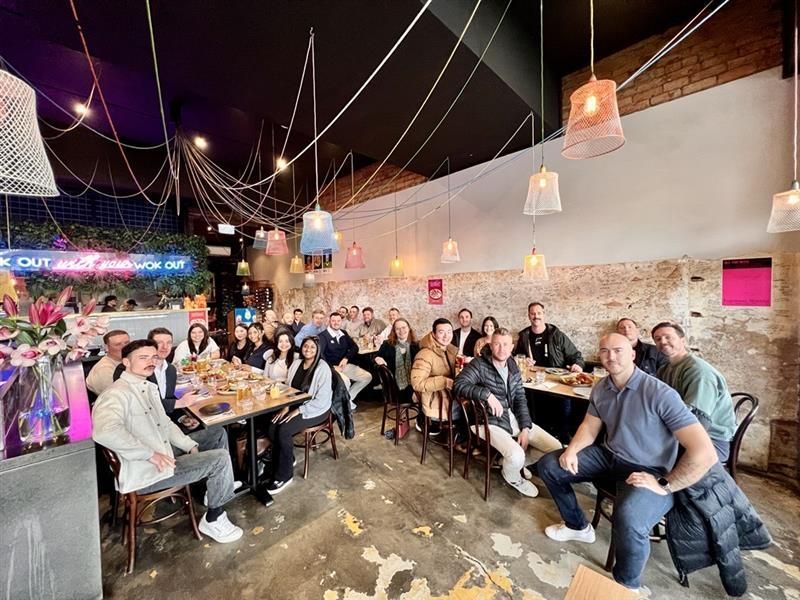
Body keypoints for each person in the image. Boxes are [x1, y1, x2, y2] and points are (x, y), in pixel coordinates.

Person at [537, 333, 717, 591]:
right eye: (604, 351)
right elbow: (590, 427)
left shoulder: (659, 393)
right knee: (549, 466)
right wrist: (572, 450)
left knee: (629, 517)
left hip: (650, 469)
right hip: (609, 456)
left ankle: (625, 586)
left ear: (633, 353)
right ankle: (577, 525)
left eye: (618, 350)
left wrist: (664, 484)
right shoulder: (601, 387)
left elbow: (705, 453)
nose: (611, 356)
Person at [93, 339, 243, 543]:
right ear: (126, 363)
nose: (150, 361)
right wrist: (150, 454)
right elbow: (104, 432)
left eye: (153, 357)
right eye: (143, 357)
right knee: (221, 459)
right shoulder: (117, 393)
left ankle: (213, 490)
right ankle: (214, 518)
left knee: (216, 432)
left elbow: (164, 423)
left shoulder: (147, 387)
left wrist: (188, 445)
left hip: (164, 450)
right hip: (148, 471)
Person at [454, 328, 562, 497]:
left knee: (555, 448)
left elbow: (520, 397)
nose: (501, 349)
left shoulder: (512, 364)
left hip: (510, 418)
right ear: (491, 345)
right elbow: (459, 384)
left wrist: (525, 428)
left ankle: (516, 464)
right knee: (516, 455)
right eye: (497, 344)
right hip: (486, 421)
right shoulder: (479, 364)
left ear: (512, 347)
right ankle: (512, 476)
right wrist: (486, 395)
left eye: (505, 345)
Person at [652, 322, 737, 463]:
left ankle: (663, 484)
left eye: (668, 337)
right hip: (682, 431)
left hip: (710, 441)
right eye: (658, 339)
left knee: (646, 451)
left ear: (682, 340)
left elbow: (699, 421)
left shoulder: (699, 371)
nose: (663, 342)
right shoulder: (664, 369)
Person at [265, 336, 333, 494]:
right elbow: (289, 389)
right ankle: (287, 458)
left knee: (284, 430)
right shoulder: (296, 363)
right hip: (296, 404)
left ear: (318, 350)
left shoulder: (322, 368)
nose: (308, 350)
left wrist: (298, 410)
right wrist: (286, 406)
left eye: (312, 347)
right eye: (305, 346)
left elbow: (321, 400)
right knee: (272, 425)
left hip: (316, 409)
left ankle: (285, 475)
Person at [411, 318, 466, 441]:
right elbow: (417, 383)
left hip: (449, 396)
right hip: (436, 404)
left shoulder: (451, 350)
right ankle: (463, 441)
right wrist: (445, 381)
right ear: (434, 334)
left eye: (449, 331)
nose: (446, 336)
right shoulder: (425, 354)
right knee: (472, 409)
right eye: (441, 332)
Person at [318, 312, 372, 409]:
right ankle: (342, 405)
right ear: (329, 321)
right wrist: (332, 367)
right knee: (346, 381)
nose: (336, 323)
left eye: (338, 321)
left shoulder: (343, 333)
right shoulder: (323, 336)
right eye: (333, 320)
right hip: (330, 368)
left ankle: (347, 399)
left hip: (344, 366)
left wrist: (346, 358)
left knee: (367, 377)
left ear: (341, 321)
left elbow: (355, 347)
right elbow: (320, 355)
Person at [514, 302, 584, 372]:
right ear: (529, 316)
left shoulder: (557, 335)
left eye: (539, 313)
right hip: (532, 376)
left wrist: (578, 365)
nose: (536, 316)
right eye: (533, 314)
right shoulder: (524, 337)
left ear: (543, 315)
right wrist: (523, 361)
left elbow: (575, 355)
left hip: (555, 377)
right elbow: (517, 357)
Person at [375, 318, 419, 403]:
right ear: (394, 331)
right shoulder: (387, 344)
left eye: (404, 327)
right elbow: (376, 360)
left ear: (409, 328)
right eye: (398, 328)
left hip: (414, 382)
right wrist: (377, 358)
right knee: (423, 397)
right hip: (394, 387)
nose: (401, 331)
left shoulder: (416, 346)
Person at [86, 330, 130, 395]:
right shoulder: (104, 369)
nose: (124, 347)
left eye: (127, 343)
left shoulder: (126, 362)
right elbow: (117, 395)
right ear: (106, 347)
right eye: (118, 344)